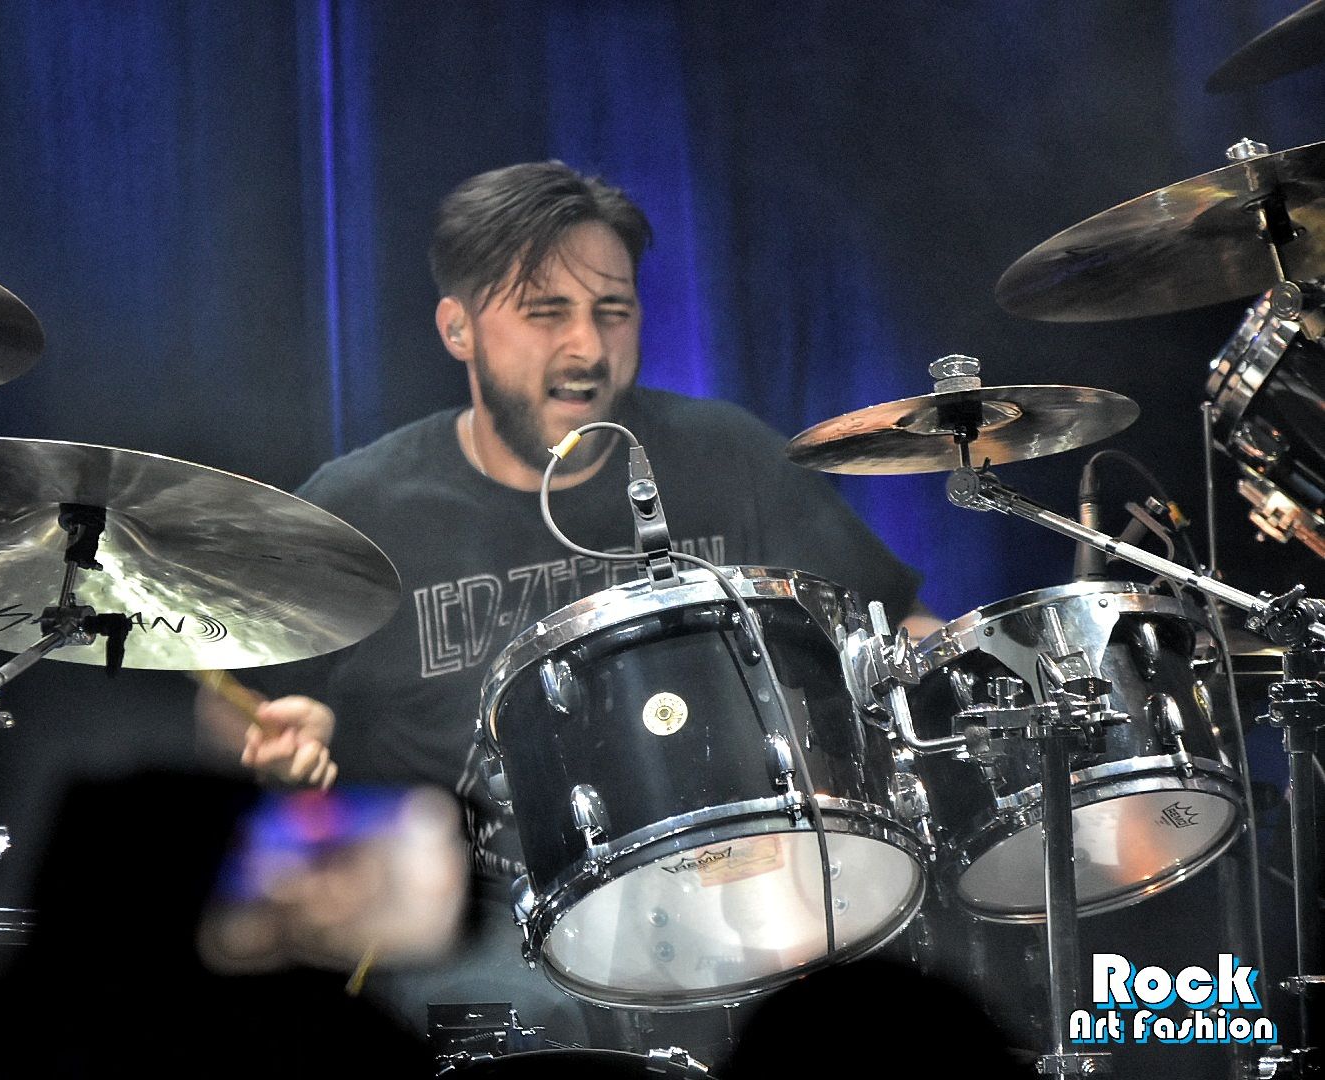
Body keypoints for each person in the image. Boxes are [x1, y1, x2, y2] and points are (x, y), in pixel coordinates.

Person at [195, 160, 942, 1063]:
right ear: (458, 328)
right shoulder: (362, 509)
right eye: (546, 312)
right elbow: (234, 701)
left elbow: (895, 628)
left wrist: (976, 674)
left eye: (612, 310)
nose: (587, 347)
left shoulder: (726, 456)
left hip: (740, 879)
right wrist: (271, 731)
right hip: (476, 910)